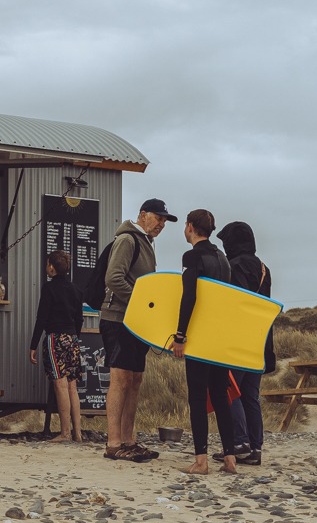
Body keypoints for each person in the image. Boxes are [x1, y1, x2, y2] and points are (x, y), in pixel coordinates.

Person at [169, 209, 244, 474]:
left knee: (198, 398)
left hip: (201, 337)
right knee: (221, 398)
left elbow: (189, 297)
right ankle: (230, 458)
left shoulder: (192, 256)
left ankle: (201, 461)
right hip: (221, 338)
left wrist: (180, 336)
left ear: (189, 226)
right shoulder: (222, 259)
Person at [100, 198, 171, 463]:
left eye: (165, 220)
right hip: (118, 319)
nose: (162, 224)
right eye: (158, 218)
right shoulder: (128, 240)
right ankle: (113, 442)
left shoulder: (146, 243)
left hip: (136, 321)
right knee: (120, 379)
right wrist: (143, 302)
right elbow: (113, 278)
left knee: (135, 380)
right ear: (143, 215)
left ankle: (129, 440)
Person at [217, 221, 273, 465]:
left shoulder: (234, 266)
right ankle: (255, 448)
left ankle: (239, 442)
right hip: (260, 339)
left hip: (239, 339)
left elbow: (236, 304)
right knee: (251, 394)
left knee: (230, 391)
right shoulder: (263, 268)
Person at [28, 251, 85, 443]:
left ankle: (65, 433)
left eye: (47, 264)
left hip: (55, 339)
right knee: (72, 387)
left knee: (60, 384)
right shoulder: (76, 290)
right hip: (73, 339)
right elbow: (79, 319)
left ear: (52, 266)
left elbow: (41, 318)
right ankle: (78, 433)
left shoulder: (49, 288)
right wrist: (74, 336)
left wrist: (33, 344)